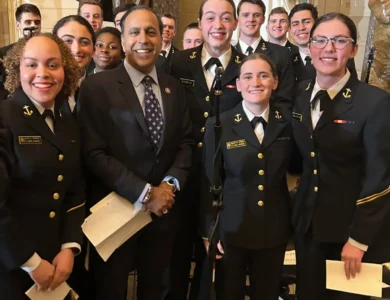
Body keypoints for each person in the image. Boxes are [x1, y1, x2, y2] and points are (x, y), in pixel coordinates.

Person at [78, 5, 193, 300]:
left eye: (151, 31)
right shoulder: (96, 87)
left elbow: (185, 142)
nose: (144, 38)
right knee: (111, 289)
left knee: (157, 289)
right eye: (135, 32)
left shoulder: (174, 88)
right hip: (116, 210)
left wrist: (168, 186)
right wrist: (145, 193)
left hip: (163, 214)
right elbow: (94, 152)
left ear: (161, 37)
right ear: (124, 40)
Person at [292, 12, 390, 300]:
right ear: (309, 48)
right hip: (307, 227)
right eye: (320, 40)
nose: (328, 48)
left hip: (349, 233)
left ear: (354, 49)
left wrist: (359, 240)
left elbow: (380, 178)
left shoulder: (374, 103)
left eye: (339, 40)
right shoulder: (299, 94)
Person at [0, 33, 85, 300]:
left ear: (65, 70)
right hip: (13, 263)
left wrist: (70, 247)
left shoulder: (65, 119)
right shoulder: (5, 117)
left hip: (58, 261)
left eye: (52, 64)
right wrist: (31, 262)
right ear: (17, 70)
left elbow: (74, 188)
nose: (43, 73)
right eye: (31, 64)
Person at [170, 0, 245, 298]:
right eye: (211, 18)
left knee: (214, 260)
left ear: (236, 23)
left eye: (226, 18)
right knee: (174, 256)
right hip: (181, 174)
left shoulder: (246, 68)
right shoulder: (177, 63)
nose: (218, 25)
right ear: (199, 23)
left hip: (224, 182)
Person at [202, 53, 292, 300]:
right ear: (238, 84)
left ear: (275, 81)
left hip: (273, 228)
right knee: (228, 292)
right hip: (232, 227)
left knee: (267, 293)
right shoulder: (219, 124)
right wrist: (209, 228)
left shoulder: (288, 123)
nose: (256, 83)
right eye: (248, 76)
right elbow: (209, 181)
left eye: (264, 76)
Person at [235, 0, 294, 106]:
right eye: (245, 15)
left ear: (263, 19)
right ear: (238, 19)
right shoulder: (228, 53)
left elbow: (285, 99)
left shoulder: (281, 54)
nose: (251, 19)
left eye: (256, 15)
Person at [289, 3, 357, 84]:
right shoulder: (286, 58)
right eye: (295, 24)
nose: (301, 28)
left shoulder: (337, 53)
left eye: (306, 22)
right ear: (290, 30)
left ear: (316, 24)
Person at [53, 15, 95, 116]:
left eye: (84, 42)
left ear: (93, 49)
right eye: (68, 41)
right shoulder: (43, 88)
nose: (76, 49)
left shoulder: (99, 90)